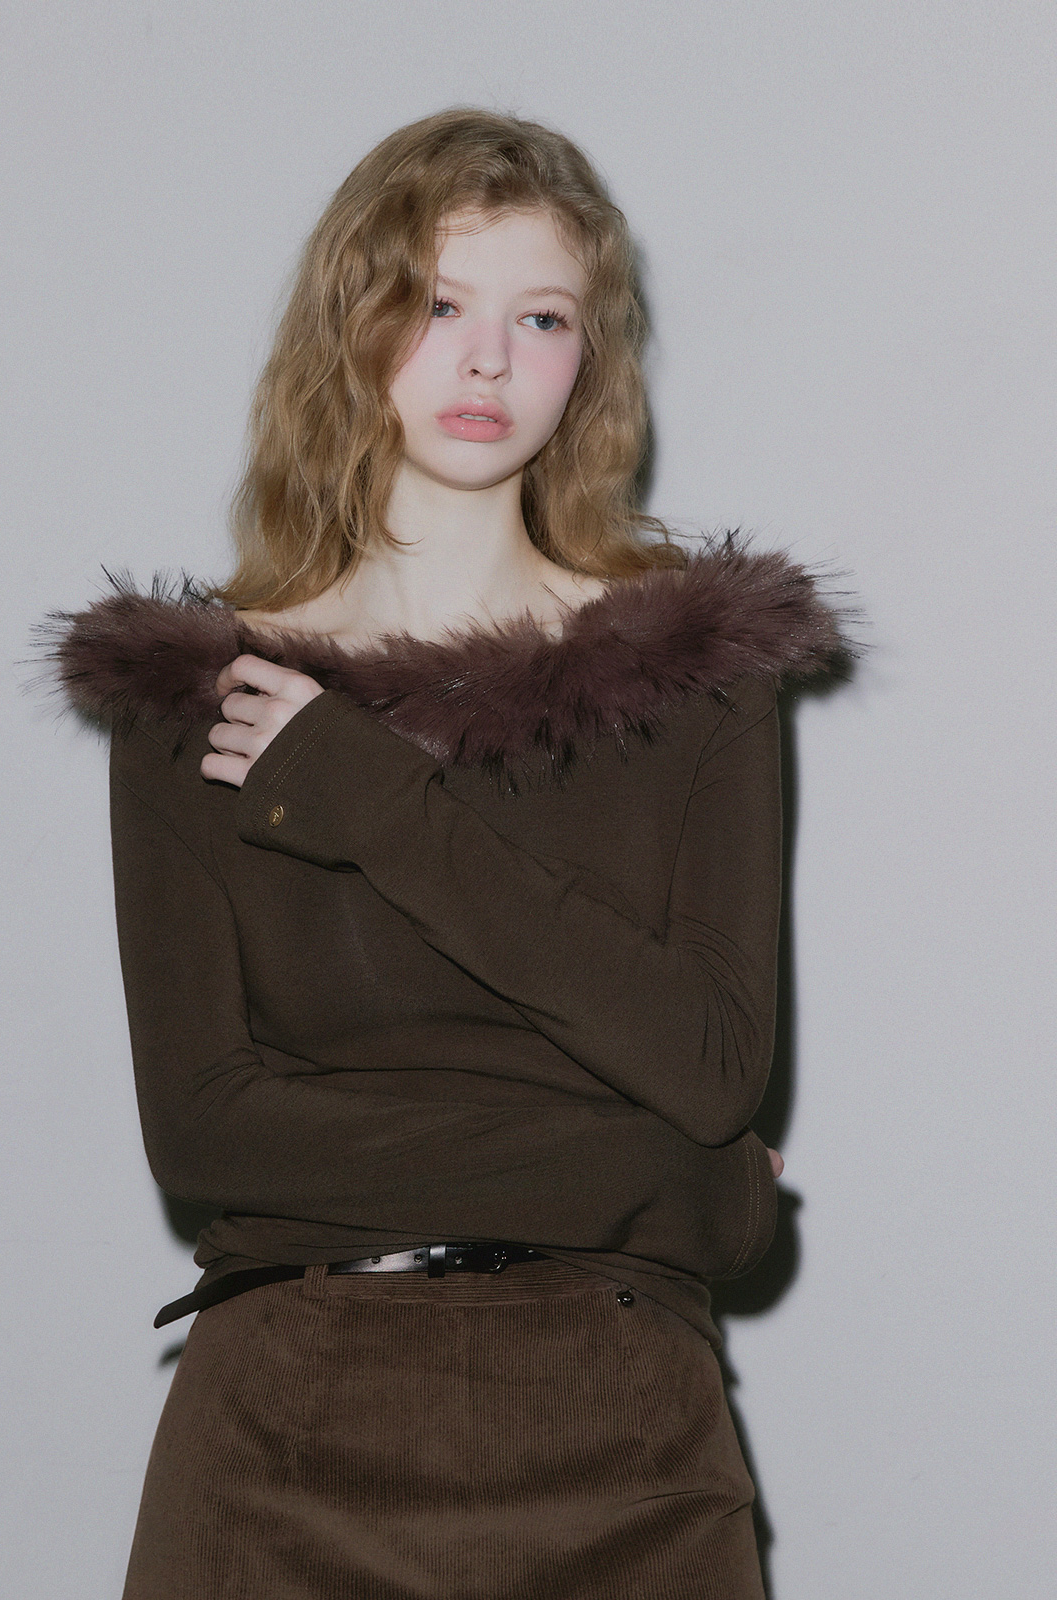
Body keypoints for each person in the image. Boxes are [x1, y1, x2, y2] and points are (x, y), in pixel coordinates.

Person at [45, 107, 845, 1600]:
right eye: (435, 303)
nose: (487, 362)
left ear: (590, 358)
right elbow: (211, 1137)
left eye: (540, 317)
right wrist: (676, 1186)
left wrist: (375, 802)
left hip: (625, 1427)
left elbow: (711, 1065)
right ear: (348, 328)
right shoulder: (199, 705)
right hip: (287, 1430)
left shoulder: (699, 682)